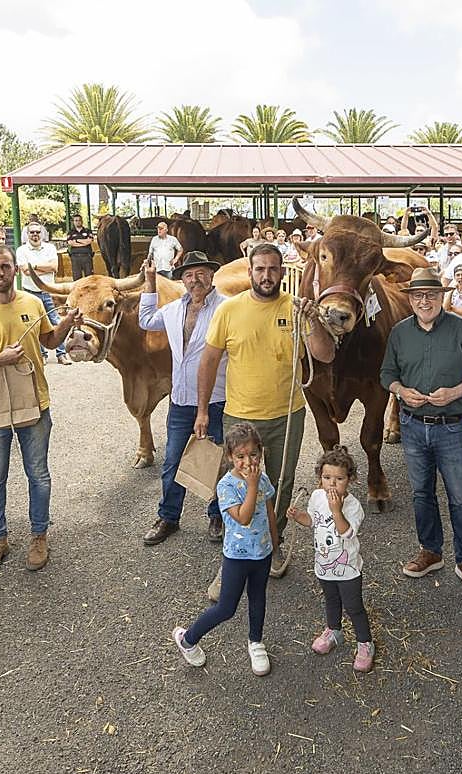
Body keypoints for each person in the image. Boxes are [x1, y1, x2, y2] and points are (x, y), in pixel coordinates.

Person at [195, 243, 336, 582]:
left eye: (273, 269)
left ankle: (272, 544)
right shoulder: (229, 310)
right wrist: (202, 411)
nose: (266, 275)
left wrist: (314, 320)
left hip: (287, 414)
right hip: (241, 417)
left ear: (282, 273)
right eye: (260, 269)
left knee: (281, 483)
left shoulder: (298, 309)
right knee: (239, 486)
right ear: (250, 272)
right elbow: (209, 361)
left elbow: (326, 354)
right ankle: (236, 552)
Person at [0, 245, 83, 574]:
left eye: (5, 267)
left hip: (34, 403)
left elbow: (50, 342)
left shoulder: (33, 303)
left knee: (38, 475)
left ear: (15, 270)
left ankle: (39, 536)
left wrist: (67, 321)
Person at [381, 268, 462, 596]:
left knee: (460, 495)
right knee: (421, 493)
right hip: (412, 426)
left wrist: (454, 393)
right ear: (410, 299)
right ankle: (431, 551)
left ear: (442, 297)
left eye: (431, 295)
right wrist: (400, 390)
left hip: (451, 427)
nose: (424, 301)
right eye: (417, 296)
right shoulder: (399, 333)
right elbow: (387, 373)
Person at [172, 422, 276, 676]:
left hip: (262, 553)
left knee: (258, 597)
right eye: (240, 456)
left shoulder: (262, 478)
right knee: (226, 608)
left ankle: (256, 642)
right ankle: (188, 639)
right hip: (237, 557)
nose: (247, 461)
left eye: (253, 454)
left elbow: (269, 509)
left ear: (260, 453)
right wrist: (252, 486)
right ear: (230, 457)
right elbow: (244, 517)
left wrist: (275, 540)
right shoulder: (226, 486)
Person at [138, 252, 227, 546]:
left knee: (214, 460)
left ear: (211, 276)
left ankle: (217, 515)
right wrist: (150, 281)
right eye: (189, 275)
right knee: (172, 461)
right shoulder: (174, 309)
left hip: (217, 400)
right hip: (180, 400)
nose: (195, 279)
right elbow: (146, 319)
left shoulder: (226, 308)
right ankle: (169, 517)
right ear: (183, 280)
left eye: (201, 272)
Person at [287, 445, 373, 672]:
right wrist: (299, 516)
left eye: (339, 478)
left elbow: (347, 532)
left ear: (350, 479)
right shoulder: (316, 496)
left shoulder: (353, 506)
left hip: (348, 569)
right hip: (323, 565)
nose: (332, 483)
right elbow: (312, 522)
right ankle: (333, 631)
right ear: (320, 478)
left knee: (354, 606)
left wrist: (337, 510)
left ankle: (365, 643)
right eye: (327, 477)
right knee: (331, 600)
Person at [16, 222, 70, 365]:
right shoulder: (21, 250)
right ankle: (42, 355)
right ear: (27, 234)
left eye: (37, 232)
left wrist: (33, 266)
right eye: (32, 232)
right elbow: (25, 271)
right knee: (35, 324)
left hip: (49, 292)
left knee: (56, 322)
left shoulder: (50, 248)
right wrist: (43, 268)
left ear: (42, 234)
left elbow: (54, 267)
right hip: (30, 293)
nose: (35, 235)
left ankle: (61, 354)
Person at [66, 214, 95, 280]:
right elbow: (70, 243)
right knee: (77, 278)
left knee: (89, 277)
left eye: (79, 220)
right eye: (76, 220)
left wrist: (77, 240)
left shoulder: (88, 231)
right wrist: (84, 242)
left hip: (87, 256)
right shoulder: (70, 232)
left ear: (82, 221)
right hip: (75, 257)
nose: (78, 222)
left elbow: (89, 241)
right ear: (73, 222)